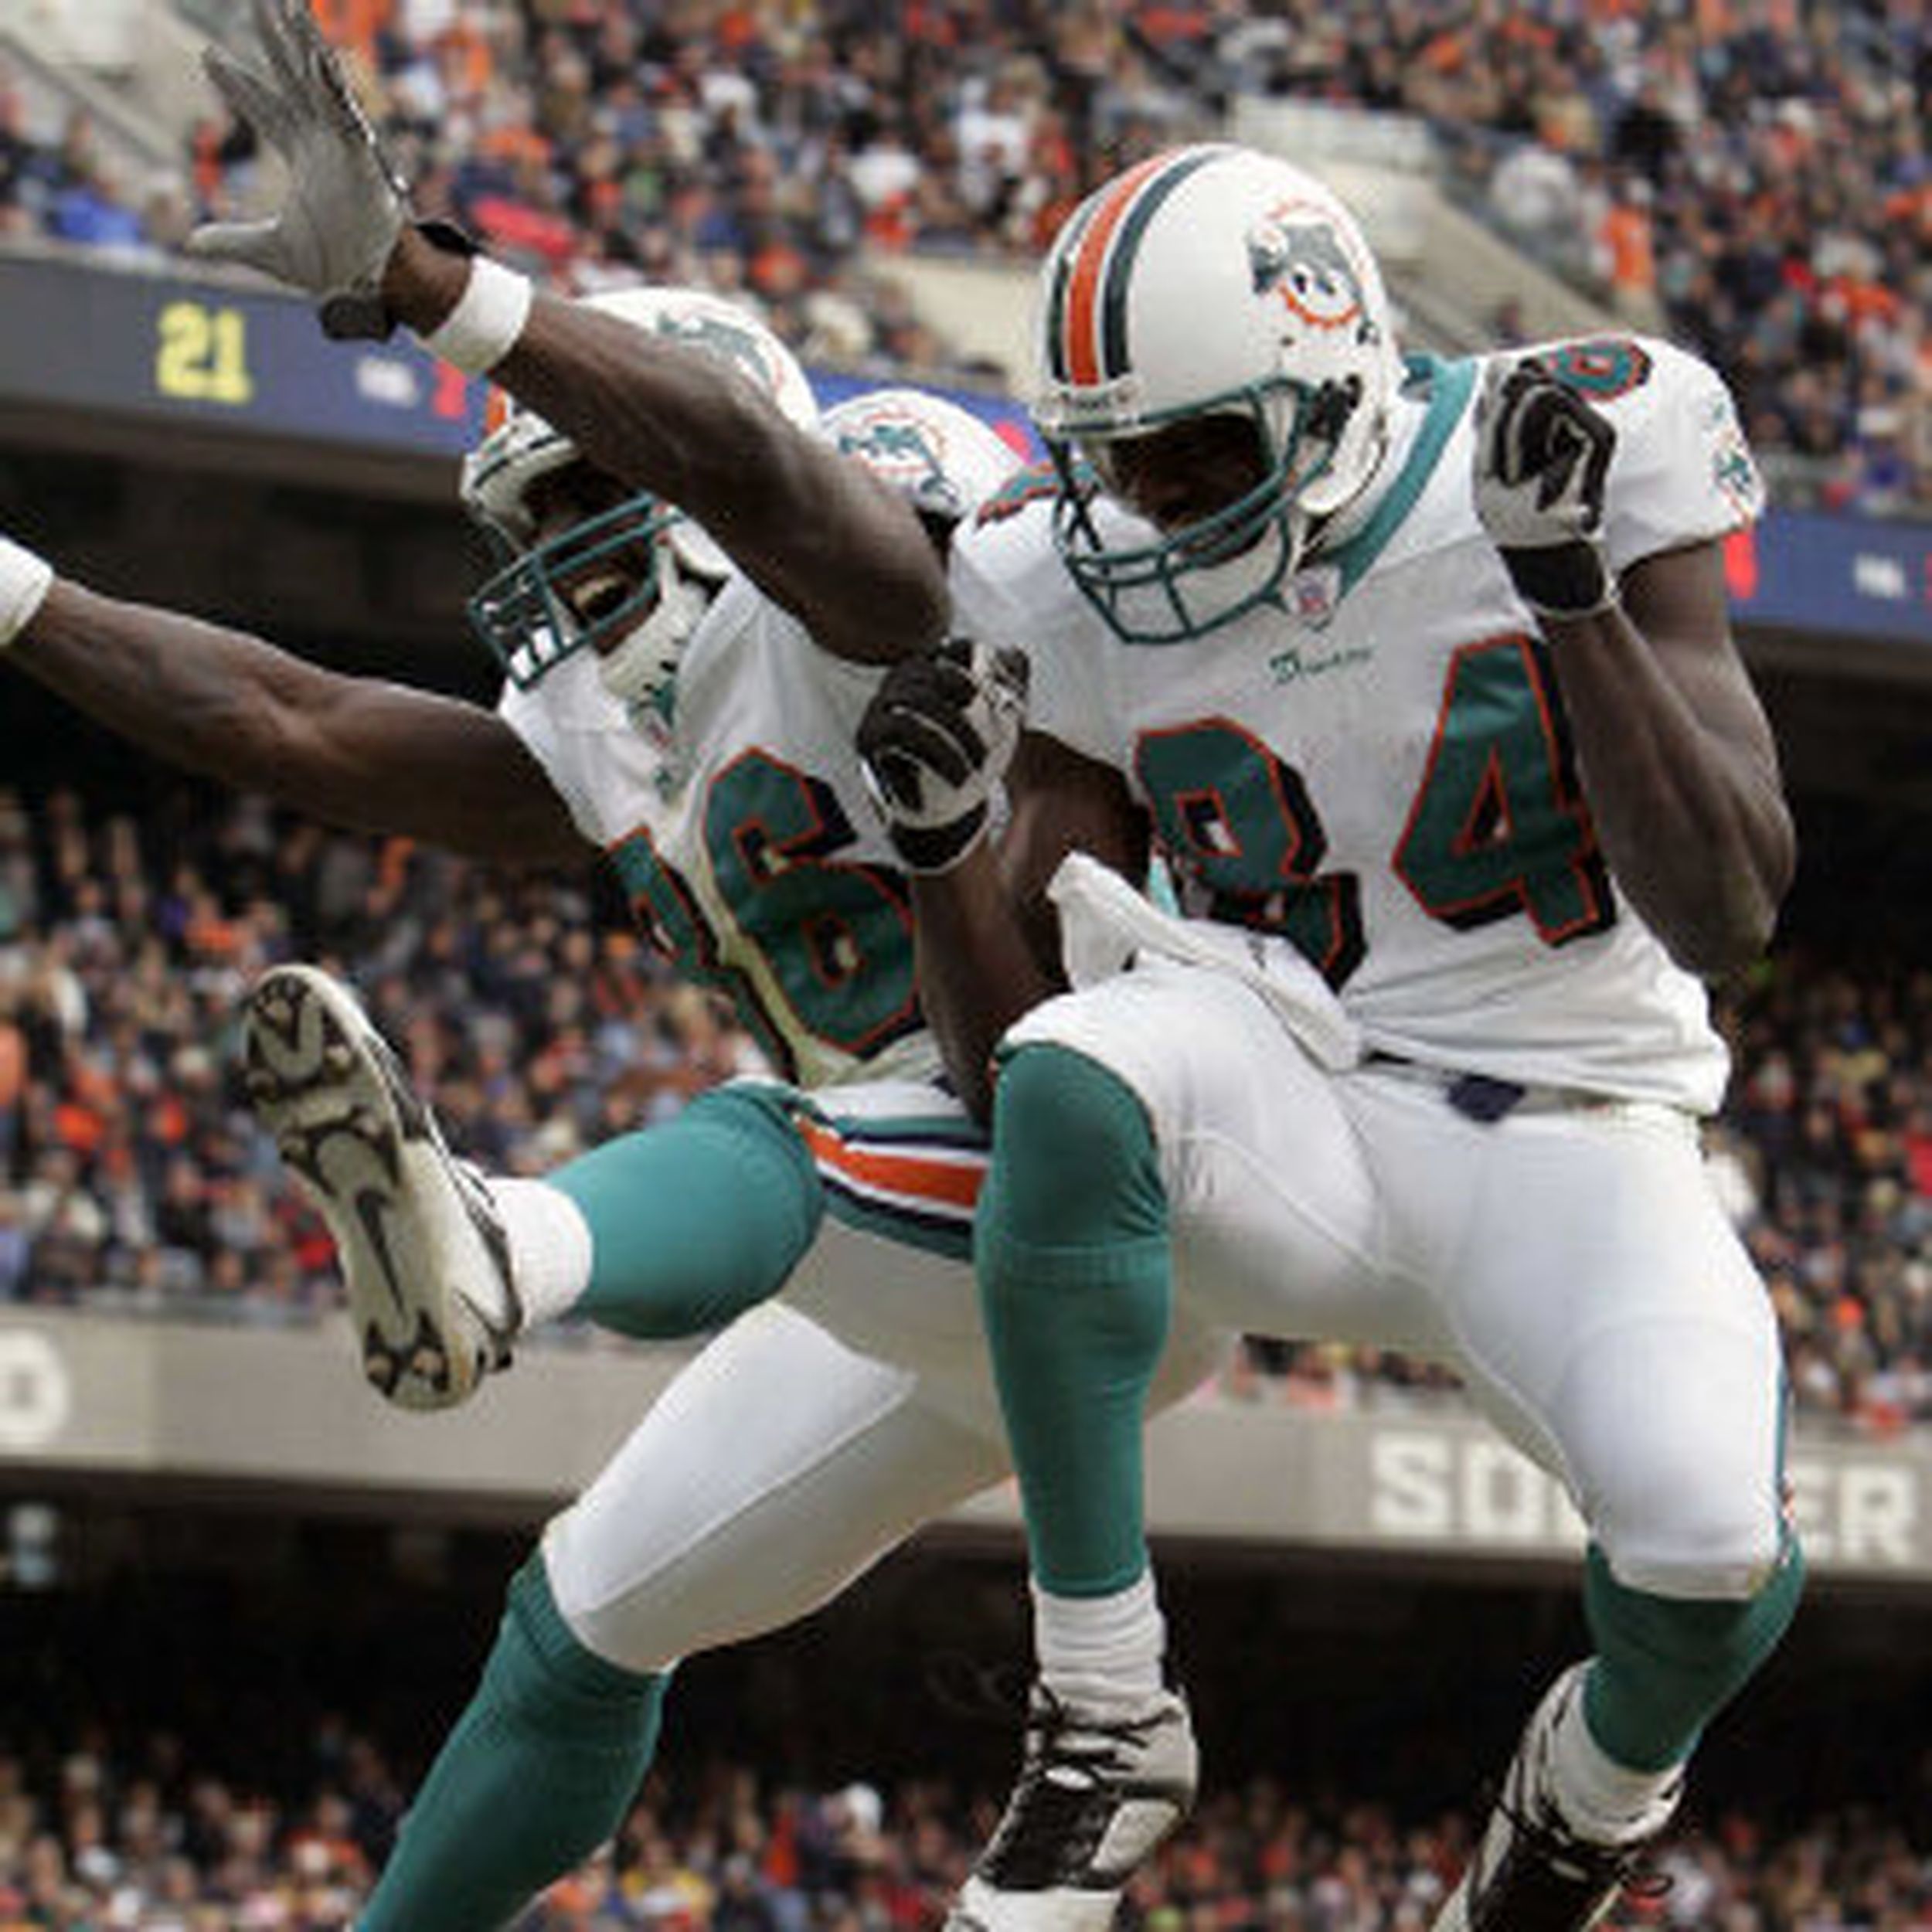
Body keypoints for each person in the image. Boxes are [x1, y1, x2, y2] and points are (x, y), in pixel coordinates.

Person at [0, 8, 1231, 1924]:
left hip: (1119, 1167)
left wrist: (446, 296)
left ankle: (509, 1248)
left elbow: (769, 473)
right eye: (535, 518)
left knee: (784, 1132)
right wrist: (14, 590)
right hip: (915, 1238)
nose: (562, 565)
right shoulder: (601, 717)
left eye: (590, 498)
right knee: (579, 1623)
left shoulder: (852, 573)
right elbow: (285, 715)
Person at [856, 141, 1804, 1932]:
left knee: (1706, 1548)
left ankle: (1587, 1798)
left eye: (1201, 448)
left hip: (1571, 1115)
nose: (1152, 504)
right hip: (1284, 1074)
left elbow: (1730, 916)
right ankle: (1102, 1701)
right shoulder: (1063, 580)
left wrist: (1569, 599)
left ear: (1341, 369)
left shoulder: (1564, 447)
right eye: (1112, 464)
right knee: (1082, 1073)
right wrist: (934, 863)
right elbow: (1013, 1078)